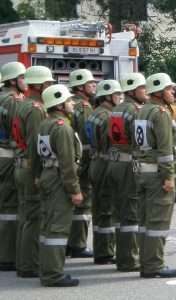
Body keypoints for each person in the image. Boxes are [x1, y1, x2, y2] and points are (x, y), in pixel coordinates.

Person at [32, 84, 82, 287]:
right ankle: (53, 274)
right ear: (60, 104)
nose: (72, 103)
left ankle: (47, 270)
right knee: (58, 228)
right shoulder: (62, 127)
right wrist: (75, 190)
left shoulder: (44, 124)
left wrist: (37, 176)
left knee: (47, 226)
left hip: (47, 176)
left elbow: (33, 156)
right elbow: (67, 164)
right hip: (59, 180)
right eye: (69, 101)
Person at [133, 73, 176, 278]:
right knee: (158, 223)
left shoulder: (142, 110)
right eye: (169, 89)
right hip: (156, 176)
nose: (173, 92)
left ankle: (145, 263)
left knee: (144, 222)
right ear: (160, 92)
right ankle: (154, 265)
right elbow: (165, 151)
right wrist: (169, 177)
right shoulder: (160, 113)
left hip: (141, 172)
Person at [13, 66, 54, 278]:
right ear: (38, 85)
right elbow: (35, 146)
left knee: (25, 216)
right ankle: (29, 265)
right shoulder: (37, 110)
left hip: (19, 165)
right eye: (47, 84)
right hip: (30, 168)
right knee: (34, 217)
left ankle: (23, 262)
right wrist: (38, 174)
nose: (50, 87)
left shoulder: (23, 105)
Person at [107, 72, 148, 272]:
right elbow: (140, 142)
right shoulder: (136, 111)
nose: (146, 92)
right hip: (129, 165)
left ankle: (121, 255)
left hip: (114, 163)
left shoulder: (116, 110)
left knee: (118, 212)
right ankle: (129, 259)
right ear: (133, 91)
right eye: (143, 88)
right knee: (131, 213)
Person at [87, 80, 123, 265]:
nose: (120, 98)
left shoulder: (94, 114)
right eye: (117, 94)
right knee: (107, 209)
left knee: (98, 208)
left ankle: (100, 250)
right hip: (106, 162)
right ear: (108, 96)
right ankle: (106, 252)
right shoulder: (109, 116)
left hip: (95, 161)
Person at [0, 62, 26, 272]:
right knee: (10, 207)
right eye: (22, 77)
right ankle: (7, 256)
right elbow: (18, 131)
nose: (25, 81)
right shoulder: (13, 102)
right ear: (12, 81)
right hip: (8, 157)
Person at [68, 69, 96, 259]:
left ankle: (70, 243)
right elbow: (87, 138)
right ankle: (78, 244)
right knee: (83, 204)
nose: (94, 86)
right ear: (80, 87)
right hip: (84, 160)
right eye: (90, 83)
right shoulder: (84, 107)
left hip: (74, 159)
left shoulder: (71, 104)